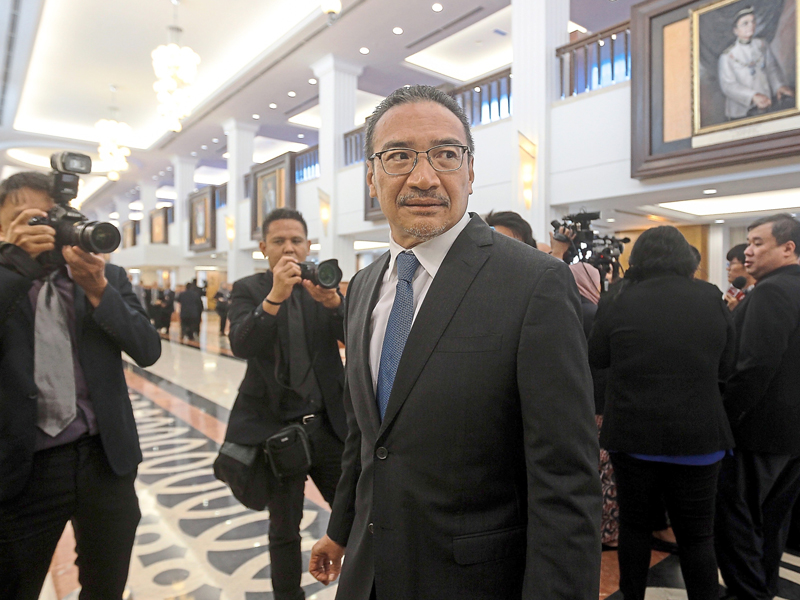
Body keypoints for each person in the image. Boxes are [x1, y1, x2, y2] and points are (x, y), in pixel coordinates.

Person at [309, 84, 601, 600]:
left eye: (445, 154)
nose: (424, 177)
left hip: (472, 581)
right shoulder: (364, 287)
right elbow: (366, 439)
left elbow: (565, 482)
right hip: (369, 573)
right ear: (372, 178)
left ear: (470, 171)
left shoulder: (533, 283)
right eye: (399, 156)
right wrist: (340, 528)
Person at [0, 171, 162, 599]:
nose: (45, 230)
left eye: (51, 218)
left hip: (104, 459)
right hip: (22, 466)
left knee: (107, 585)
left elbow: (148, 349)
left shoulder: (105, 275)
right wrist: (13, 266)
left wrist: (99, 290)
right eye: (29, 219)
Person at [588, 226, 736, 600]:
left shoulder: (618, 297)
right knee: (698, 536)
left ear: (638, 257)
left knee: (635, 527)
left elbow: (597, 357)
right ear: (685, 257)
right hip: (699, 435)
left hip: (633, 433)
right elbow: (728, 363)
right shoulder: (710, 295)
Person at [226, 208, 347, 600]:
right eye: (278, 241)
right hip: (277, 430)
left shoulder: (321, 285)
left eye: (296, 240)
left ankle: (365, 586)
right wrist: (274, 297)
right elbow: (242, 344)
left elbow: (355, 335)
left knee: (356, 514)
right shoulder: (249, 288)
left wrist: (333, 302)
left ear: (309, 245)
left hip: (328, 425)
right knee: (284, 529)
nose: (289, 248)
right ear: (264, 248)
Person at [715, 213, 800, 600]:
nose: (747, 252)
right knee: (772, 522)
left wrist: (726, 419)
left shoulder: (772, 291)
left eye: (758, 243)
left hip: (760, 429)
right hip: (790, 434)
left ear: (788, 247)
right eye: (748, 243)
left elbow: (755, 366)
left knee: (736, 522)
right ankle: (762, 587)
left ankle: (749, 594)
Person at [718, 6, 794, 121]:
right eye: (745, 23)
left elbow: (772, 69)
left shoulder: (762, 45)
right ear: (735, 30)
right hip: (741, 113)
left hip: (766, 105)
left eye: (753, 21)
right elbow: (728, 86)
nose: (751, 26)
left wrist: (779, 86)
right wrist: (752, 96)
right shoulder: (727, 56)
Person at [724, 242, 756, 311]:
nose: (728, 268)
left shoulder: (758, 293)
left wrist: (737, 309)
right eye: (728, 264)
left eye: (732, 263)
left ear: (747, 265)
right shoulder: (737, 293)